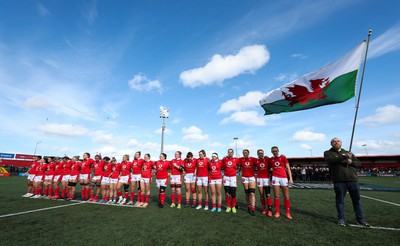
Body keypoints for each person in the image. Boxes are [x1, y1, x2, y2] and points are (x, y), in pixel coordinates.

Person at [324, 137, 370, 227]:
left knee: (357, 201)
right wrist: (344, 157)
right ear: (331, 144)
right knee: (340, 201)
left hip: (353, 179)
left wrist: (351, 161)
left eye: (338, 141)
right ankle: (341, 219)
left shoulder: (349, 153)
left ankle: (360, 220)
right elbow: (331, 160)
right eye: (334, 141)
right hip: (339, 180)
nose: (336, 142)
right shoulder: (328, 153)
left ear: (341, 143)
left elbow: (358, 164)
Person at [269, 146, 293, 219]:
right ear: (271, 152)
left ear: (278, 151)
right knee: (276, 196)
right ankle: (277, 212)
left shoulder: (283, 157)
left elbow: (288, 168)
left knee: (286, 196)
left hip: (283, 178)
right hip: (275, 178)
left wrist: (290, 178)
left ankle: (288, 213)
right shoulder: (271, 159)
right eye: (273, 151)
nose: (274, 152)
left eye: (276, 151)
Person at [239, 149, 257, 216]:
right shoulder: (241, 159)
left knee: (252, 193)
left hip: (251, 177)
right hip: (244, 177)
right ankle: (249, 206)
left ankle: (253, 208)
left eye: (246, 152)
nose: (245, 154)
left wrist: (266, 157)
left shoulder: (253, 159)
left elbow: (260, 161)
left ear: (248, 153)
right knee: (247, 193)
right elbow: (233, 161)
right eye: (243, 153)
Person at [255, 149, 273, 216]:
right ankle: (264, 209)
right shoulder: (256, 160)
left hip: (266, 179)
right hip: (259, 179)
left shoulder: (267, 159)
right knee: (261, 195)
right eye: (259, 153)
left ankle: (270, 210)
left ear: (263, 153)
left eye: (262, 153)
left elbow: (274, 160)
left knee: (268, 195)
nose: (260, 154)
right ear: (257, 154)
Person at [222, 148, 239, 213]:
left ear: (233, 153)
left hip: (233, 177)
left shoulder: (236, 159)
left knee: (233, 193)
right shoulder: (224, 159)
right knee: (227, 193)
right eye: (229, 152)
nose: (230, 153)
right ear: (227, 153)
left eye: (231, 152)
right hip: (226, 177)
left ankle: (233, 206)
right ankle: (228, 206)